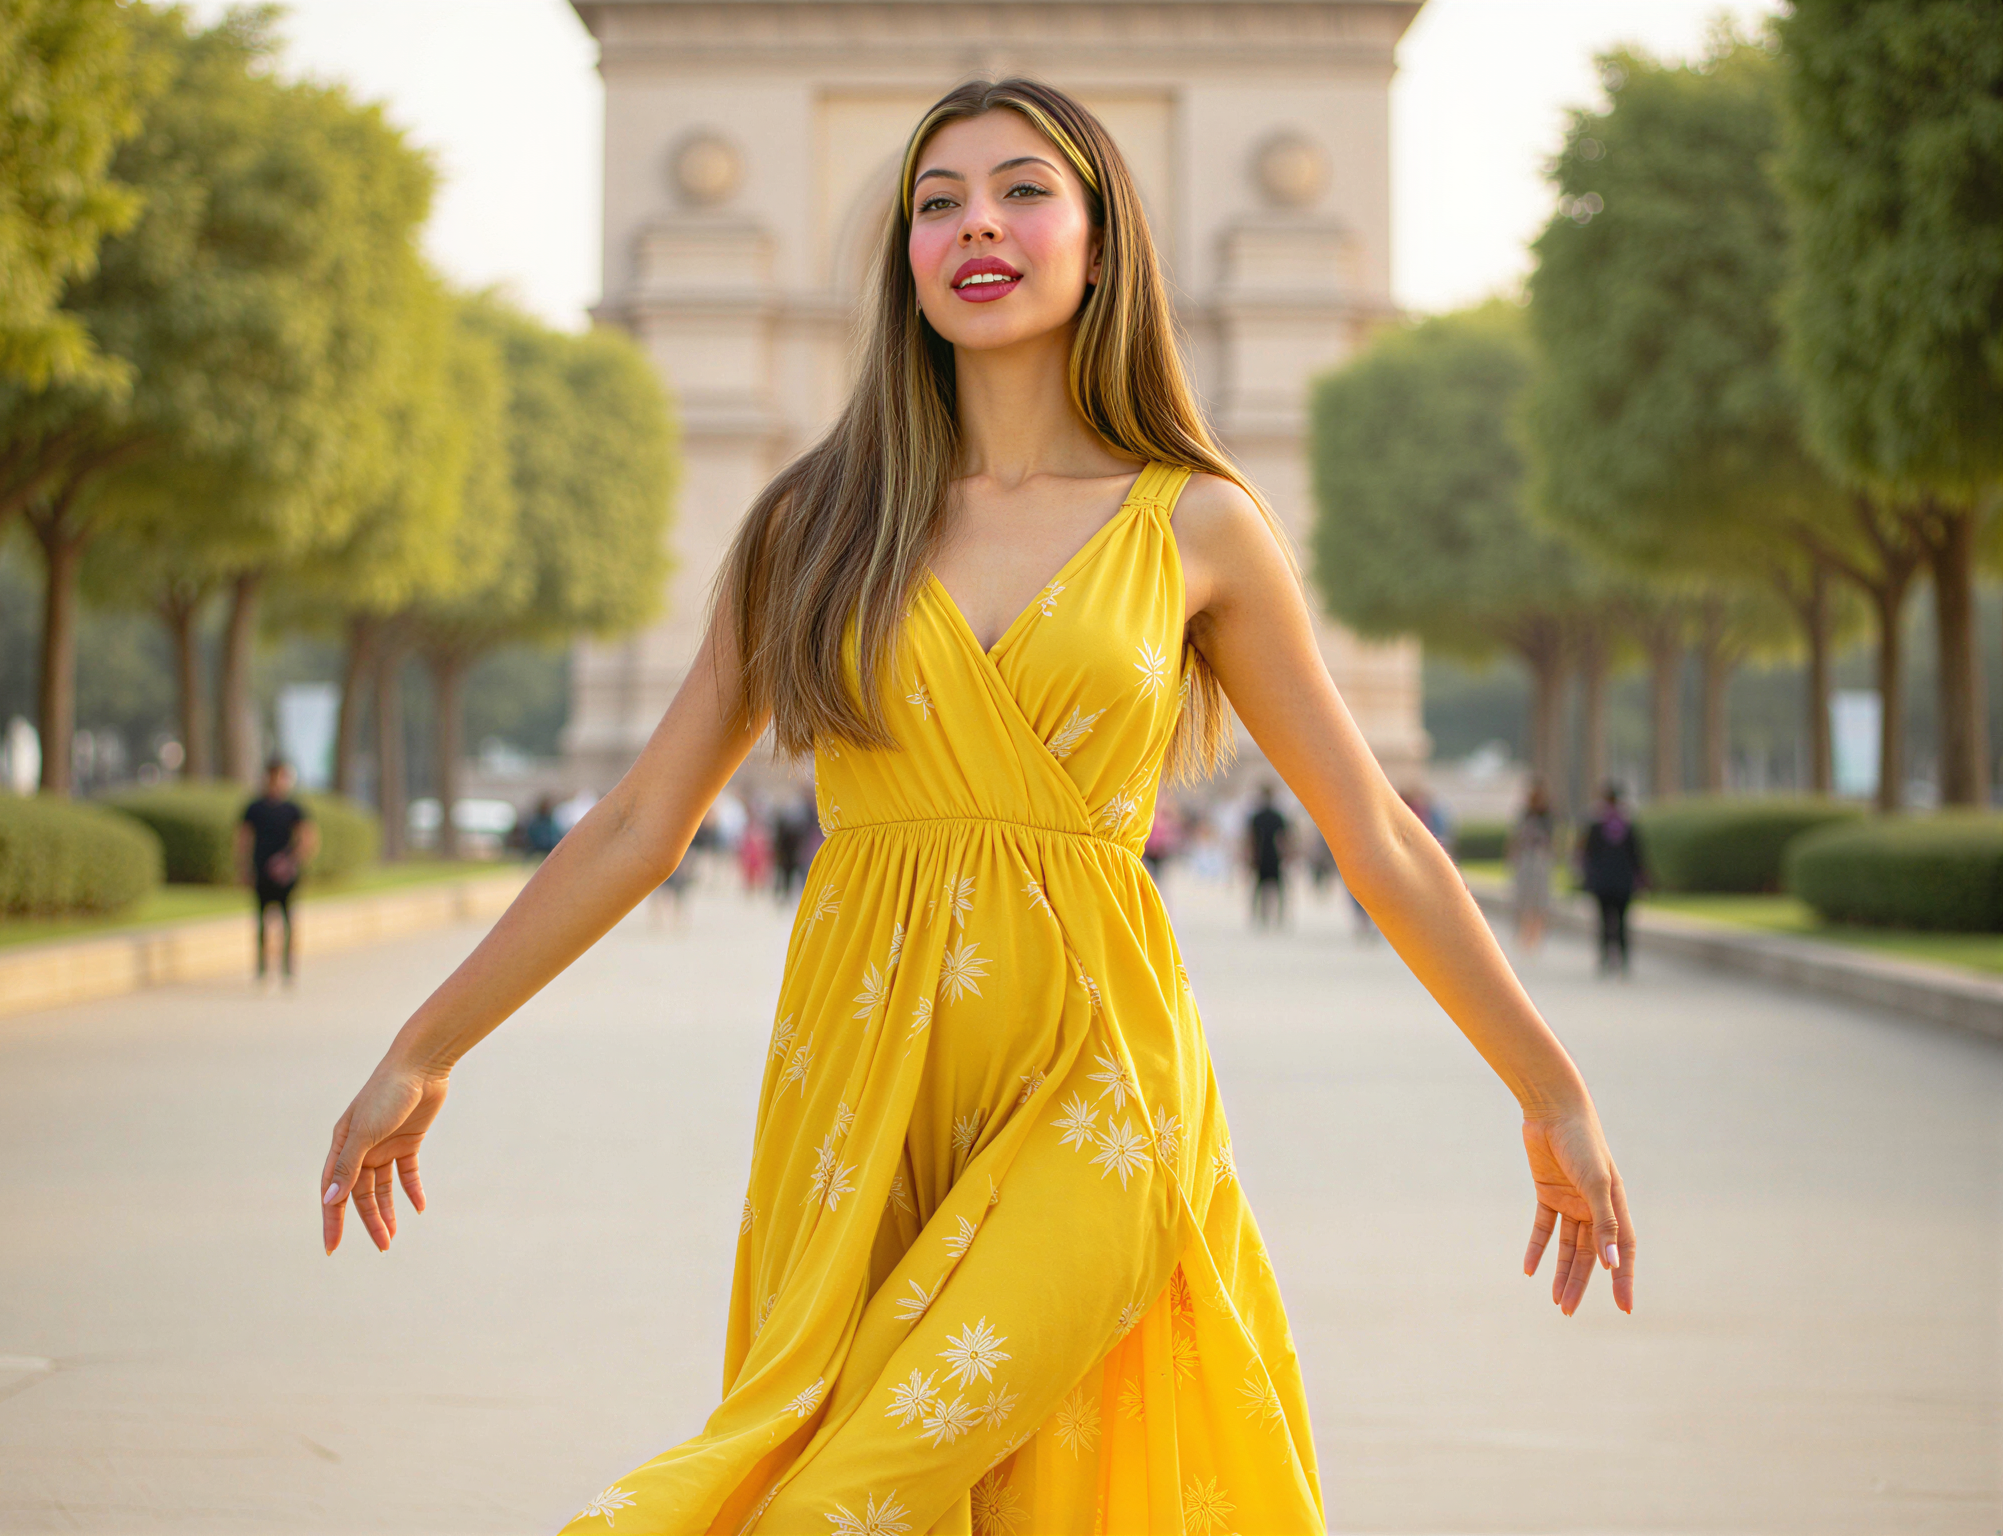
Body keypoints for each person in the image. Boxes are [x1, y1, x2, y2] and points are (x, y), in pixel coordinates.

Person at [319, 81, 1635, 1536]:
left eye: (1021, 191)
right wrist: (423, 1048)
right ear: (903, 259)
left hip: (1101, 1072)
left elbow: (1377, 835)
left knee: (851, 1497)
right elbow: (641, 823)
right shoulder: (811, 525)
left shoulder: (1197, 522)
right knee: (847, 1453)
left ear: (1099, 235)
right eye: (935, 202)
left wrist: (1551, 1088)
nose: (977, 226)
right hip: (862, 1079)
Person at [235, 758, 317, 984]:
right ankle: (262, 967)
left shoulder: (293, 808)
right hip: (262, 870)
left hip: (285, 873)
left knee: (288, 921)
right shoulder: (255, 807)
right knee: (261, 921)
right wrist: (244, 867)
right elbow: (243, 838)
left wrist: (292, 861)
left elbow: (308, 837)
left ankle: (287, 967)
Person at [1581, 783, 1645, 977]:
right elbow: (1637, 856)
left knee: (1603, 921)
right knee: (1623, 921)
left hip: (1602, 881)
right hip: (1623, 881)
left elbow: (1587, 854)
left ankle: (1605, 958)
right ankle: (1624, 960)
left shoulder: (1596, 825)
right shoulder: (1627, 825)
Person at [1510, 779, 1557, 952]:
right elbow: (1516, 838)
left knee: (1539, 900)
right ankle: (1524, 934)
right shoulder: (1525, 814)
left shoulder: (1547, 817)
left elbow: (1551, 841)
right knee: (1524, 898)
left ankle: (1536, 934)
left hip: (1540, 861)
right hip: (1526, 860)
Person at [1246, 781, 1290, 928]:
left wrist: (1250, 857)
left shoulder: (1256, 816)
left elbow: (1251, 839)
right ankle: (1279, 916)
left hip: (1260, 856)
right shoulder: (1278, 816)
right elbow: (1284, 839)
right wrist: (1286, 856)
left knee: (1259, 889)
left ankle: (1260, 916)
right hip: (1274, 857)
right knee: (1278, 889)